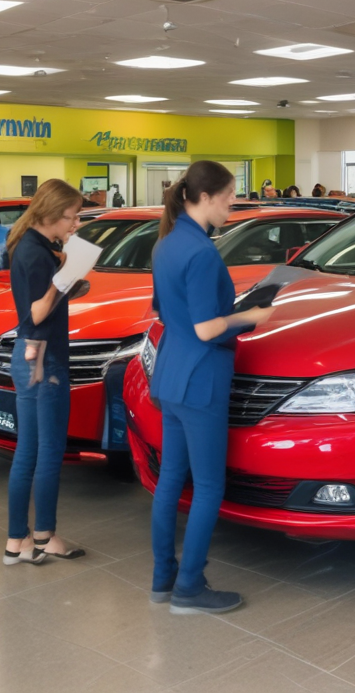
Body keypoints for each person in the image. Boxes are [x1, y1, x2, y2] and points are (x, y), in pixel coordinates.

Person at [148, 161, 274, 614]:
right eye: (228, 198)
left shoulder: (167, 243)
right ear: (204, 198)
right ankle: (190, 587)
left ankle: (164, 577)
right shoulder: (201, 252)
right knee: (207, 487)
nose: (231, 205)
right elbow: (206, 329)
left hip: (170, 376)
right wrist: (250, 316)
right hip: (201, 379)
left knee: (169, 482)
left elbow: (165, 310)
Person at [2, 179, 88, 566]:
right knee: (49, 453)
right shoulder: (37, 254)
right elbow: (37, 312)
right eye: (71, 217)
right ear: (52, 214)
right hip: (43, 359)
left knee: (28, 451)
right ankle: (44, 537)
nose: (73, 224)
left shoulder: (31, 246)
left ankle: (16, 542)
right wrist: (64, 278)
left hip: (28, 355)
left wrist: (68, 281)